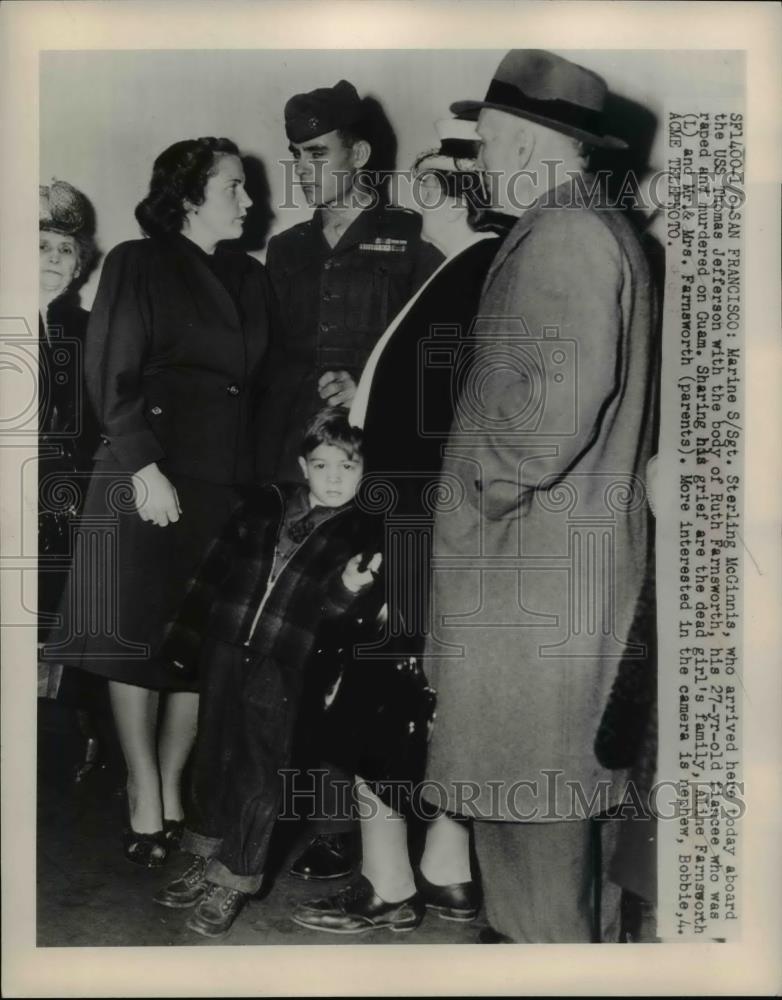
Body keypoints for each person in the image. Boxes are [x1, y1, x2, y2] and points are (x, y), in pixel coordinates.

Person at [414, 49, 657, 943]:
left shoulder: (561, 237)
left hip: (529, 591)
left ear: (522, 142)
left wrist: (475, 487)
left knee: (530, 844)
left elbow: (545, 422)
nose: (474, 160)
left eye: (481, 141)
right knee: (561, 839)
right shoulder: (595, 225)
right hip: (561, 582)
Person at [290, 120, 512, 935]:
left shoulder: (473, 269)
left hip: (414, 525)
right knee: (422, 700)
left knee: (375, 697)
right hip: (424, 522)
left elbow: (436, 431)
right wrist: (365, 391)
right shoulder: (465, 268)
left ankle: (390, 887)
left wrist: (391, 550)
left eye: (422, 176)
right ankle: (445, 874)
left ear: (441, 188)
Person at [44, 138, 274, 867]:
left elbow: (262, 391)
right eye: (233, 187)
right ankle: (143, 793)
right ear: (187, 196)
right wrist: (143, 466)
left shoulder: (250, 276)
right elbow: (113, 369)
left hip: (220, 486)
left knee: (195, 652)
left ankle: (173, 788)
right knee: (131, 645)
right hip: (145, 475)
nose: (247, 200)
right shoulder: (138, 262)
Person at [255, 78, 443, 882]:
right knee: (286, 643)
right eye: (295, 156)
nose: (303, 170)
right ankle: (274, 810)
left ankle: (347, 827)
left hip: (369, 476)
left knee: (355, 639)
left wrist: (362, 379)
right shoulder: (288, 250)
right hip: (292, 467)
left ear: (359, 155)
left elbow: (432, 352)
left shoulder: (409, 243)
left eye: (318, 154)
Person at [152, 409, 381, 937]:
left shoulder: (359, 532)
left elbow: (334, 616)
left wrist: (348, 587)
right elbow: (212, 571)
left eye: (347, 467)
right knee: (212, 755)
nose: (333, 478)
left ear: (364, 473)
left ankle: (234, 877)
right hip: (227, 647)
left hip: (285, 664)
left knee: (259, 770)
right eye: (322, 465)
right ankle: (202, 855)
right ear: (303, 465)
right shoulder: (264, 504)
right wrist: (185, 639)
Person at [38, 180, 106, 774]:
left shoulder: (86, 331)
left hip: (63, 500)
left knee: (59, 616)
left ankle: (74, 736)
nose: (54, 260)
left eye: (64, 248)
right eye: (40, 246)